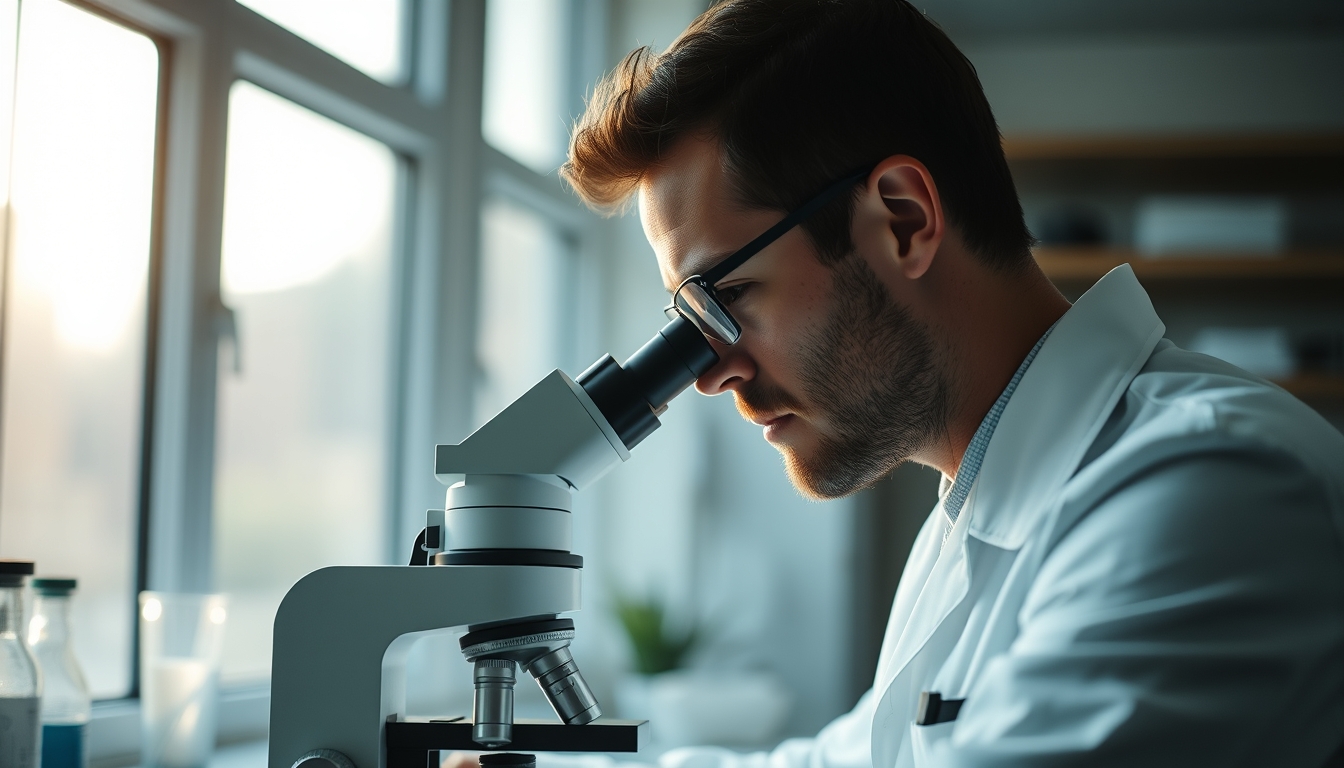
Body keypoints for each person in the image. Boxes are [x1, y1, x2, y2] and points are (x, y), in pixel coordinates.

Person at [493, 1, 1344, 765]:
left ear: (903, 221)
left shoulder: (1208, 488)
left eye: (724, 298)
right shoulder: (975, 508)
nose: (710, 373)